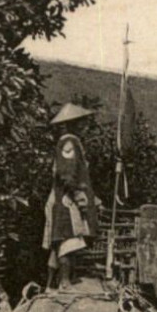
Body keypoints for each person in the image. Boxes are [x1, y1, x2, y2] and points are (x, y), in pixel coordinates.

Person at [43, 104, 102, 286]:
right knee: (68, 239)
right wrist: (79, 197)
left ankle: (52, 283)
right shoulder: (69, 143)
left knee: (63, 240)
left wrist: (94, 198)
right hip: (67, 199)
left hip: (67, 197)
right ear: (74, 124)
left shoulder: (70, 142)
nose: (84, 126)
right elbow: (67, 174)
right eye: (81, 123)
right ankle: (64, 280)